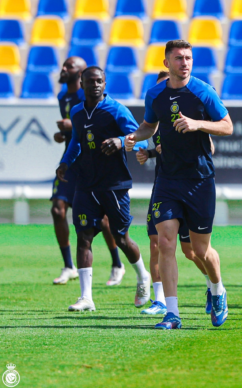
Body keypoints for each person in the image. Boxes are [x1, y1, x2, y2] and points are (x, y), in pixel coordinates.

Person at [125, 40, 233, 330]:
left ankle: (217, 289)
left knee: (200, 251)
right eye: (178, 58)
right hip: (168, 180)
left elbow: (227, 125)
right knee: (165, 243)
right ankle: (172, 313)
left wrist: (198, 124)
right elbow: (150, 125)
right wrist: (136, 135)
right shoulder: (155, 94)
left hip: (199, 180)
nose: (184, 63)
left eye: (188, 58)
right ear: (166, 63)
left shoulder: (202, 91)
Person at [55, 66, 151, 312]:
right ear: (82, 83)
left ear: (104, 84)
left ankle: (143, 276)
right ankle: (86, 297)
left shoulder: (116, 110)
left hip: (114, 185)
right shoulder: (77, 112)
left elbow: (142, 137)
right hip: (86, 185)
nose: (95, 85)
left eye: (99, 81)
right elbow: (76, 141)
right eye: (90, 81)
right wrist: (65, 163)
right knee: (84, 236)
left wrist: (120, 141)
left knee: (121, 237)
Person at [136, 71, 213, 316]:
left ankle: (213, 285)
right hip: (164, 186)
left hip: (192, 185)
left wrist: (195, 128)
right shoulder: (156, 120)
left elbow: (209, 145)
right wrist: (147, 153)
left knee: (192, 251)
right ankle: (163, 303)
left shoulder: (192, 106)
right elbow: (149, 136)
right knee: (158, 242)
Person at [51, 57, 125, 286]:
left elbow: (90, 127)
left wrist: (70, 127)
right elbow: (76, 136)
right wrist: (63, 136)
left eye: (69, 66)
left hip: (91, 165)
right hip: (71, 163)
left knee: (103, 222)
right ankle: (69, 266)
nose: (64, 69)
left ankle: (117, 264)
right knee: (57, 210)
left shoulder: (92, 97)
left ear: (81, 73)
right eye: (64, 65)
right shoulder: (63, 97)